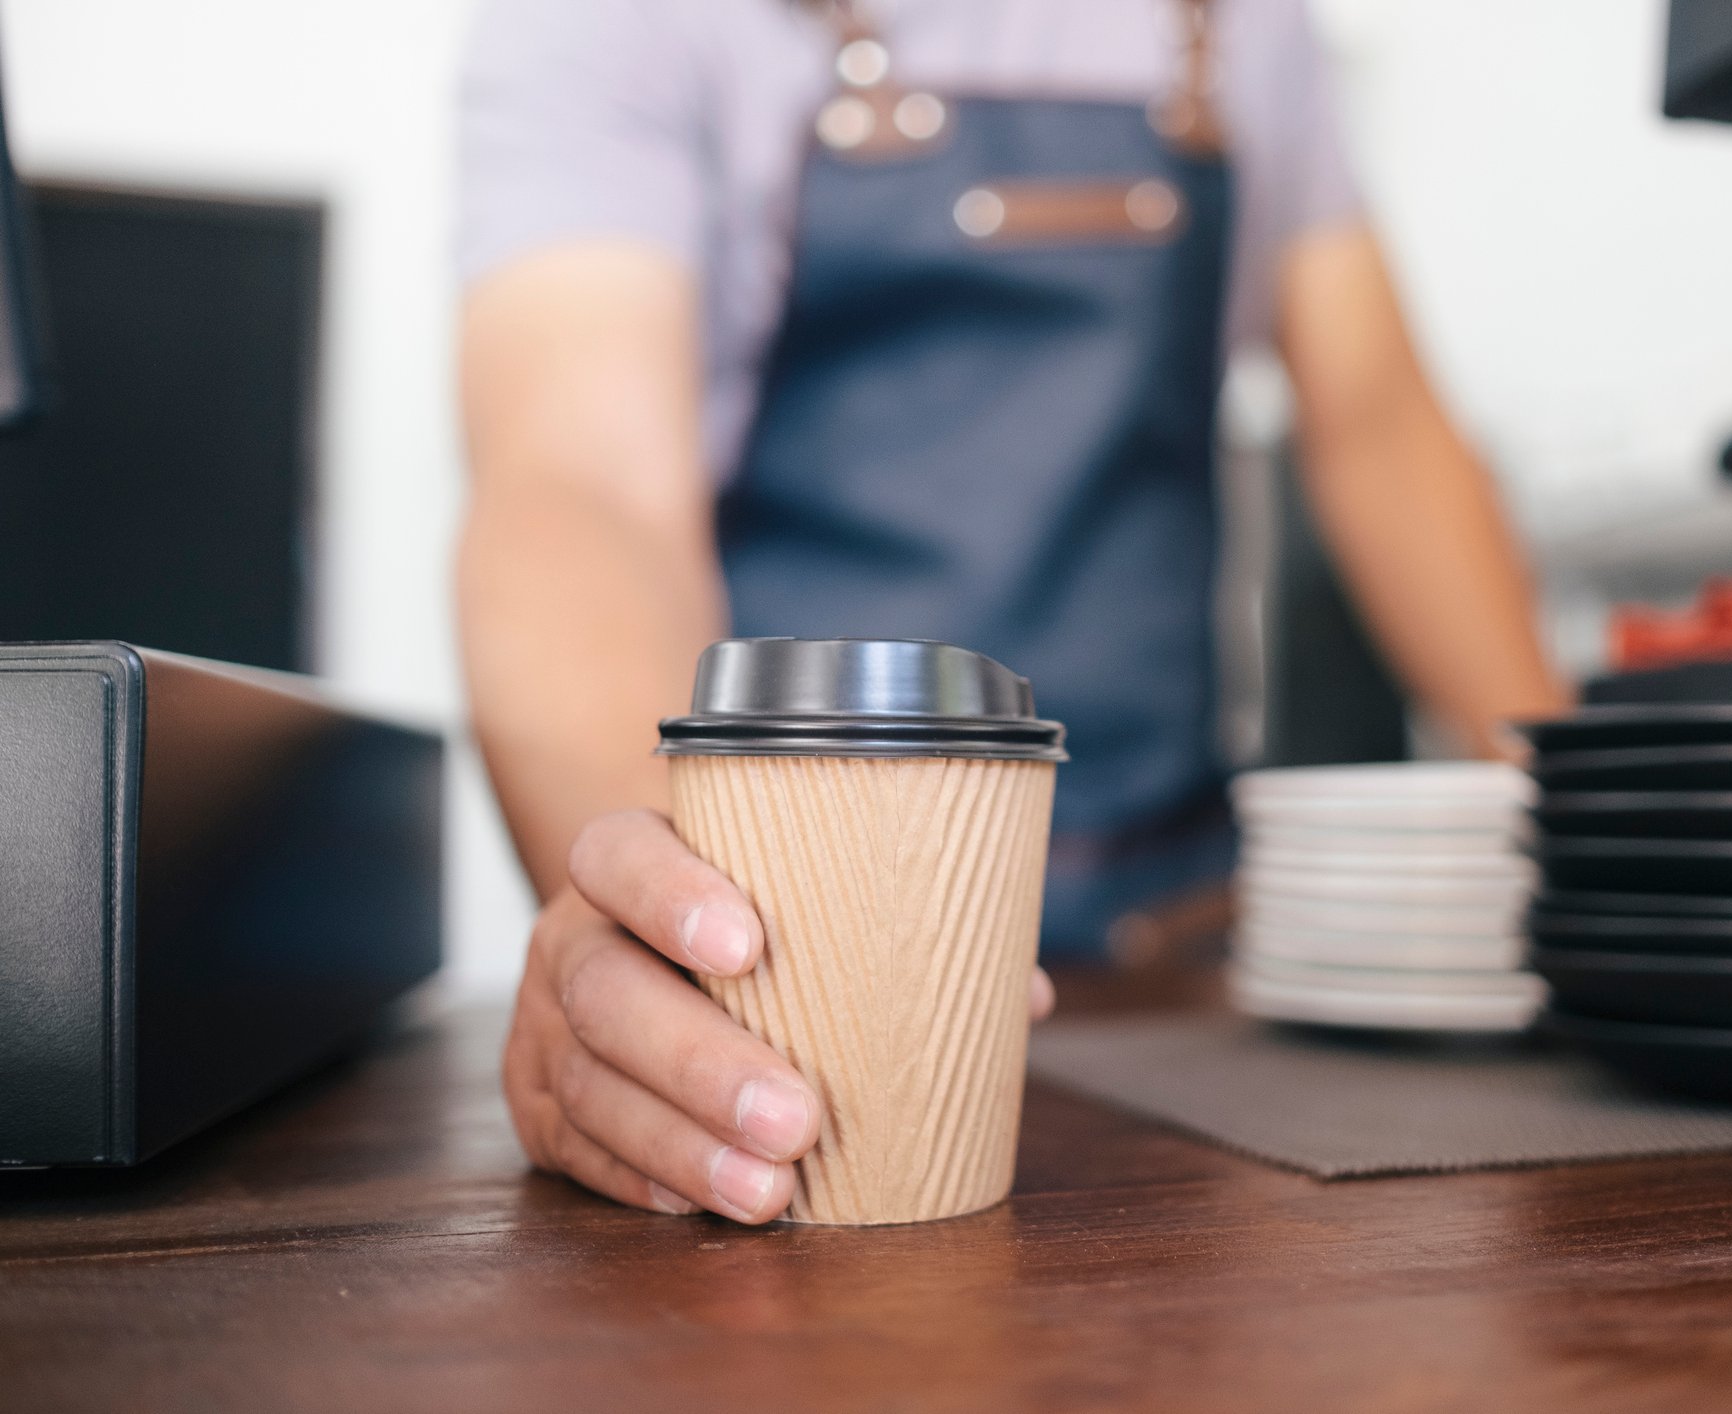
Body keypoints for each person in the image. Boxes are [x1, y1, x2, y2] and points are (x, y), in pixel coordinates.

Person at [455, 0, 1570, 1224]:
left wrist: (1596, 857)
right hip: (816, 961)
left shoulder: (1249, 25)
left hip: (1181, 946)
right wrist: (669, 939)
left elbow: (1383, 434)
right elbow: (582, 488)